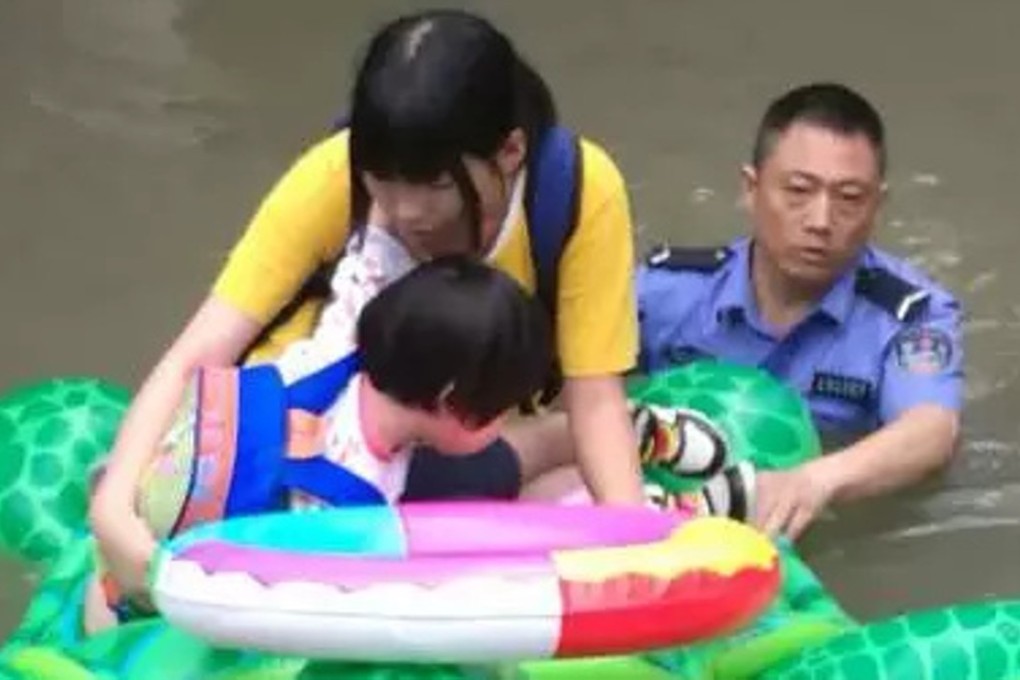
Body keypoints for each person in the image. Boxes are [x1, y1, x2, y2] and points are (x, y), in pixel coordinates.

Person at [90, 8, 654, 604]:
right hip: (304, 425)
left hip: (457, 424)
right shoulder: (337, 175)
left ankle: (621, 448)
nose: (407, 211)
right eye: (384, 181)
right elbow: (200, 353)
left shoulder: (577, 195)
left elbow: (596, 395)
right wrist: (115, 505)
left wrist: (639, 553)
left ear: (510, 151)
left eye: (435, 185)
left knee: (545, 478)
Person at [88, 256, 554, 630]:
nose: (504, 420)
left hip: (119, 551)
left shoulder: (337, 343)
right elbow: (317, 610)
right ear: (452, 400)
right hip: (145, 611)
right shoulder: (355, 507)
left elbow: (364, 263)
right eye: (502, 410)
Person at [637, 82, 964, 540]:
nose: (821, 221)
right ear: (751, 189)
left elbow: (931, 431)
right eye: (798, 191)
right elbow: (576, 392)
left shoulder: (908, 316)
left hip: (819, 521)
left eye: (849, 198)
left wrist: (814, 482)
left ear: (878, 207)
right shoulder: (667, 293)